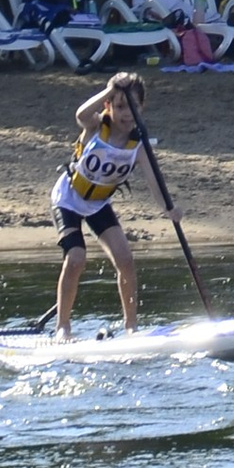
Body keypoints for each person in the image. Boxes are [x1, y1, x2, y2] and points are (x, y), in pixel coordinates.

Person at [52, 71, 147, 333]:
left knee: (126, 260)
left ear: (142, 108)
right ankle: (63, 326)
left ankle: (131, 327)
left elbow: (155, 183)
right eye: (119, 107)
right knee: (76, 258)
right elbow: (81, 115)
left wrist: (170, 209)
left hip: (98, 204)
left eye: (133, 107)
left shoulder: (138, 146)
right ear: (108, 106)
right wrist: (110, 90)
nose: (126, 114)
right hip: (68, 198)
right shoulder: (95, 125)